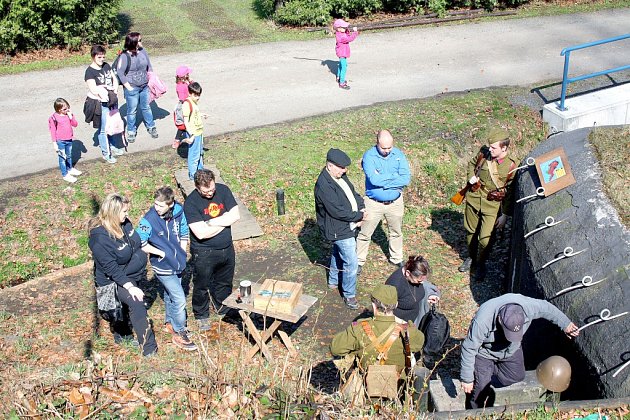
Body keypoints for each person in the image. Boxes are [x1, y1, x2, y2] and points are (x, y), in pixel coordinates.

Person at [460, 293, 579, 409]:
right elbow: (469, 348)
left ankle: (486, 373)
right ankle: (475, 410)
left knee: (517, 376)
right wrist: (467, 378)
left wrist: (566, 324)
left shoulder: (528, 307)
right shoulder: (483, 320)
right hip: (485, 353)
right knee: (481, 388)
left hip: (511, 348)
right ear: (499, 319)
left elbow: (547, 308)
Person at [331, 285, 429, 404]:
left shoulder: (360, 328)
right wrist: (405, 323)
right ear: (396, 305)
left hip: (365, 390)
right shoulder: (407, 331)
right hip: (398, 391)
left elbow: (335, 348)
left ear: (373, 305)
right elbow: (420, 343)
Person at [88, 193, 158, 357]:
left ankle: (122, 334)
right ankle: (149, 349)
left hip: (132, 274)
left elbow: (136, 243)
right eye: (124, 212)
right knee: (136, 303)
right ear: (113, 213)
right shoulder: (99, 239)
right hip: (114, 280)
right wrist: (130, 287)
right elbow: (112, 269)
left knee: (125, 309)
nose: (127, 215)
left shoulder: (124, 223)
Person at [137, 186, 197, 351]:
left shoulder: (178, 211)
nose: (157, 208)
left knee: (171, 295)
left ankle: (170, 322)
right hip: (162, 266)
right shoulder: (148, 220)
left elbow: (184, 231)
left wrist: (182, 250)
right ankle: (179, 332)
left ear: (170, 204)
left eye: (161, 205)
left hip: (177, 262)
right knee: (179, 298)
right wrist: (161, 253)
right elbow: (140, 243)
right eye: (155, 204)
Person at [183, 169, 240, 330]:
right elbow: (200, 234)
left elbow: (236, 215)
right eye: (205, 191)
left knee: (224, 281)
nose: (210, 194)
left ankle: (224, 307)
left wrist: (212, 222)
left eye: (212, 190)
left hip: (227, 248)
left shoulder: (223, 190)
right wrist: (225, 221)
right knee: (202, 284)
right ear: (197, 187)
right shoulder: (191, 203)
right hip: (204, 252)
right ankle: (201, 314)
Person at [458, 128, 516, 280]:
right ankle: (471, 258)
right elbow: (471, 163)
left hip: (492, 205)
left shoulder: (511, 166)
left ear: (504, 148)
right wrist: (471, 177)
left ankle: (481, 262)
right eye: (489, 146)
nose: (490, 149)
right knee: (471, 232)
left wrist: (505, 214)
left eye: (494, 147)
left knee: (485, 239)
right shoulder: (484, 153)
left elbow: (510, 192)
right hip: (474, 198)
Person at [314, 148, 367, 309]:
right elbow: (336, 211)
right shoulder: (324, 185)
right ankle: (349, 294)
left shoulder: (340, 176)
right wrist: (358, 216)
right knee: (351, 262)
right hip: (338, 228)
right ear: (329, 166)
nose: (345, 170)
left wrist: (361, 207)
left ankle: (333, 281)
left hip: (347, 224)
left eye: (345, 168)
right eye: (341, 167)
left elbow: (353, 194)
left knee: (338, 253)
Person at [357, 129, 411, 272]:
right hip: (373, 203)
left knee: (396, 232)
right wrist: (394, 178)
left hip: (395, 203)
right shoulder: (369, 156)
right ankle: (358, 261)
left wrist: (384, 182)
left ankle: (396, 258)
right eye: (383, 148)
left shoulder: (398, 155)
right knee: (364, 233)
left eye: (389, 147)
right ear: (377, 144)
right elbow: (373, 180)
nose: (387, 151)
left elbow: (405, 178)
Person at [84, 44, 123, 164]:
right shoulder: (89, 72)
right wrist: (104, 93)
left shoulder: (106, 66)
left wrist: (115, 90)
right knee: (103, 129)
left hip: (111, 100)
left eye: (103, 57)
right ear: (93, 56)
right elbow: (93, 89)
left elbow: (113, 78)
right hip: (100, 104)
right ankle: (106, 153)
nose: (102, 60)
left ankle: (114, 147)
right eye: (99, 57)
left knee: (111, 126)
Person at [117, 32, 158, 143]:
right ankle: (131, 131)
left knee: (146, 107)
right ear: (133, 42)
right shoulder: (125, 56)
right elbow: (120, 72)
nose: (141, 42)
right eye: (139, 40)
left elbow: (149, 66)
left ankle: (151, 126)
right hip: (132, 88)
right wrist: (128, 87)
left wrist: (151, 80)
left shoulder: (143, 52)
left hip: (145, 86)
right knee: (132, 111)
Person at [385, 255, 440, 327]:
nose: (422, 283)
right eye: (419, 281)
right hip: (401, 325)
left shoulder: (413, 274)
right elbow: (385, 313)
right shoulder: (394, 285)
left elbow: (424, 285)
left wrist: (430, 294)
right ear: (408, 273)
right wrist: (405, 324)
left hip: (414, 320)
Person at [48, 98, 82, 183]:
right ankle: (65, 174)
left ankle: (70, 169)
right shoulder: (54, 117)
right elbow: (52, 131)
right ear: (58, 109)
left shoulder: (68, 114)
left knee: (69, 155)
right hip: (60, 141)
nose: (67, 110)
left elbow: (75, 124)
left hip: (69, 139)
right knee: (62, 157)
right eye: (64, 109)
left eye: (68, 107)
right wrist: (54, 143)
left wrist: (71, 117)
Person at [182, 82, 205, 180]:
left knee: (199, 154)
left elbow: (194, 114)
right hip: (194, 133)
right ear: (190, 93)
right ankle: (193, 175)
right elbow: (186, 121)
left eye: (199, 95)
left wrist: (201, 115)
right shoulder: (187, 104)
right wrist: (191, 135)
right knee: (194, 156)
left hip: (199, 132)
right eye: (195, 95)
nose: (198, 98)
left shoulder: (194, 102)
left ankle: (200, 172)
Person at [333, 19, 359, 90]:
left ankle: (338, 77)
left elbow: (347, 35)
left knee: (341, 65)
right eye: (344, 27)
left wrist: (347, 30)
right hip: (342, 53)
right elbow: (349, 38)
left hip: (341, 52)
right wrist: (355, 32)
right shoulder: (341, 37)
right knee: (344, 67)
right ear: (339, 28)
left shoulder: (340, 33)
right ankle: (341, 83)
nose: (345, 28)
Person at [172, 65, 192, 149]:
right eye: (188, 73)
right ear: (185, 75)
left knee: (185, 123)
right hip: (185, 105)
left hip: (184, 103)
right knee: (183, 125)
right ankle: (177, 140)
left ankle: (179, 139)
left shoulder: (181, 84)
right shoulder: (183, 86)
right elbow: (184, 97)